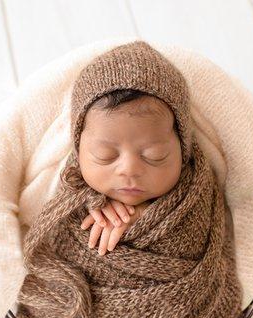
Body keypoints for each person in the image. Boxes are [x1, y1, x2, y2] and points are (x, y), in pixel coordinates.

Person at [77, 88, 184, 256]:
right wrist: (93, 201)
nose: (129, 170)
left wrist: (149, 215)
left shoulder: (200, 190)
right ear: (78, 151)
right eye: (105, 155)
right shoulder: (55, 184)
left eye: (154, 155)